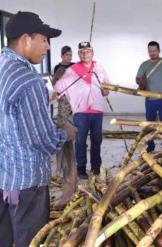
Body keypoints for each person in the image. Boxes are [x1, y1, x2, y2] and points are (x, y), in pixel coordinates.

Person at [0, 11, 77, 247]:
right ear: (26, 39)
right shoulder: (28, 80)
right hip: (27, 183)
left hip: (3, 177)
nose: (47, 47)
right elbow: (43, 140)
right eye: (43, 40)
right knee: (30, 240)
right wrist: (66, 134)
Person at [54, 41, 110, 179]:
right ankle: (81, 168)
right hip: (80, 112)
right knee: (80, 141)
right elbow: (59, 88)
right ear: (79, 54)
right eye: (82, 52)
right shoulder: (72, 70)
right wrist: (55, 86)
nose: (85, 54)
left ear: (92, 53)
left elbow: (107, 88)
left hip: (97, 110)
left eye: (88, 51)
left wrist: (105, 90)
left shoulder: (99, 68)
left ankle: (96, 166)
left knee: (97, 139)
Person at [53, 45, 77, 206]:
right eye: (66, 55)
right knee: (63, 125)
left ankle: (72, 144)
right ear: (62, 56)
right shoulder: (58, 67)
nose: (68, 57)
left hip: (74, 99)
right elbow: (55, 84)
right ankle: (64, 162)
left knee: (73, 127)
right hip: (63, 102)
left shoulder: (75, 66)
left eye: (70, 55)